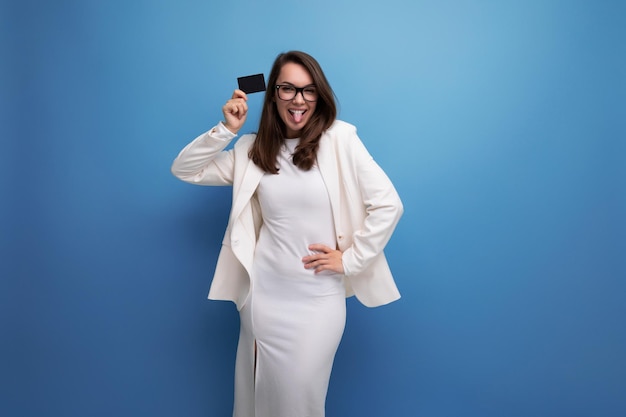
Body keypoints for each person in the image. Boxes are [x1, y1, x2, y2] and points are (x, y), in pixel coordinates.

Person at [171, 50, 403, 417]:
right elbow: (185, 169)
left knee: (299, 404)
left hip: (316, 302)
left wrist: (352, 259)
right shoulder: (251, 150)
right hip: (262, 301)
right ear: (274, 94)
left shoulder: (340, 139)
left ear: (319, 95)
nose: (298, 100)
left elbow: (389, 204)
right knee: (257, 402)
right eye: (288, 89)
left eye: (309, 91)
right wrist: (226, 130)